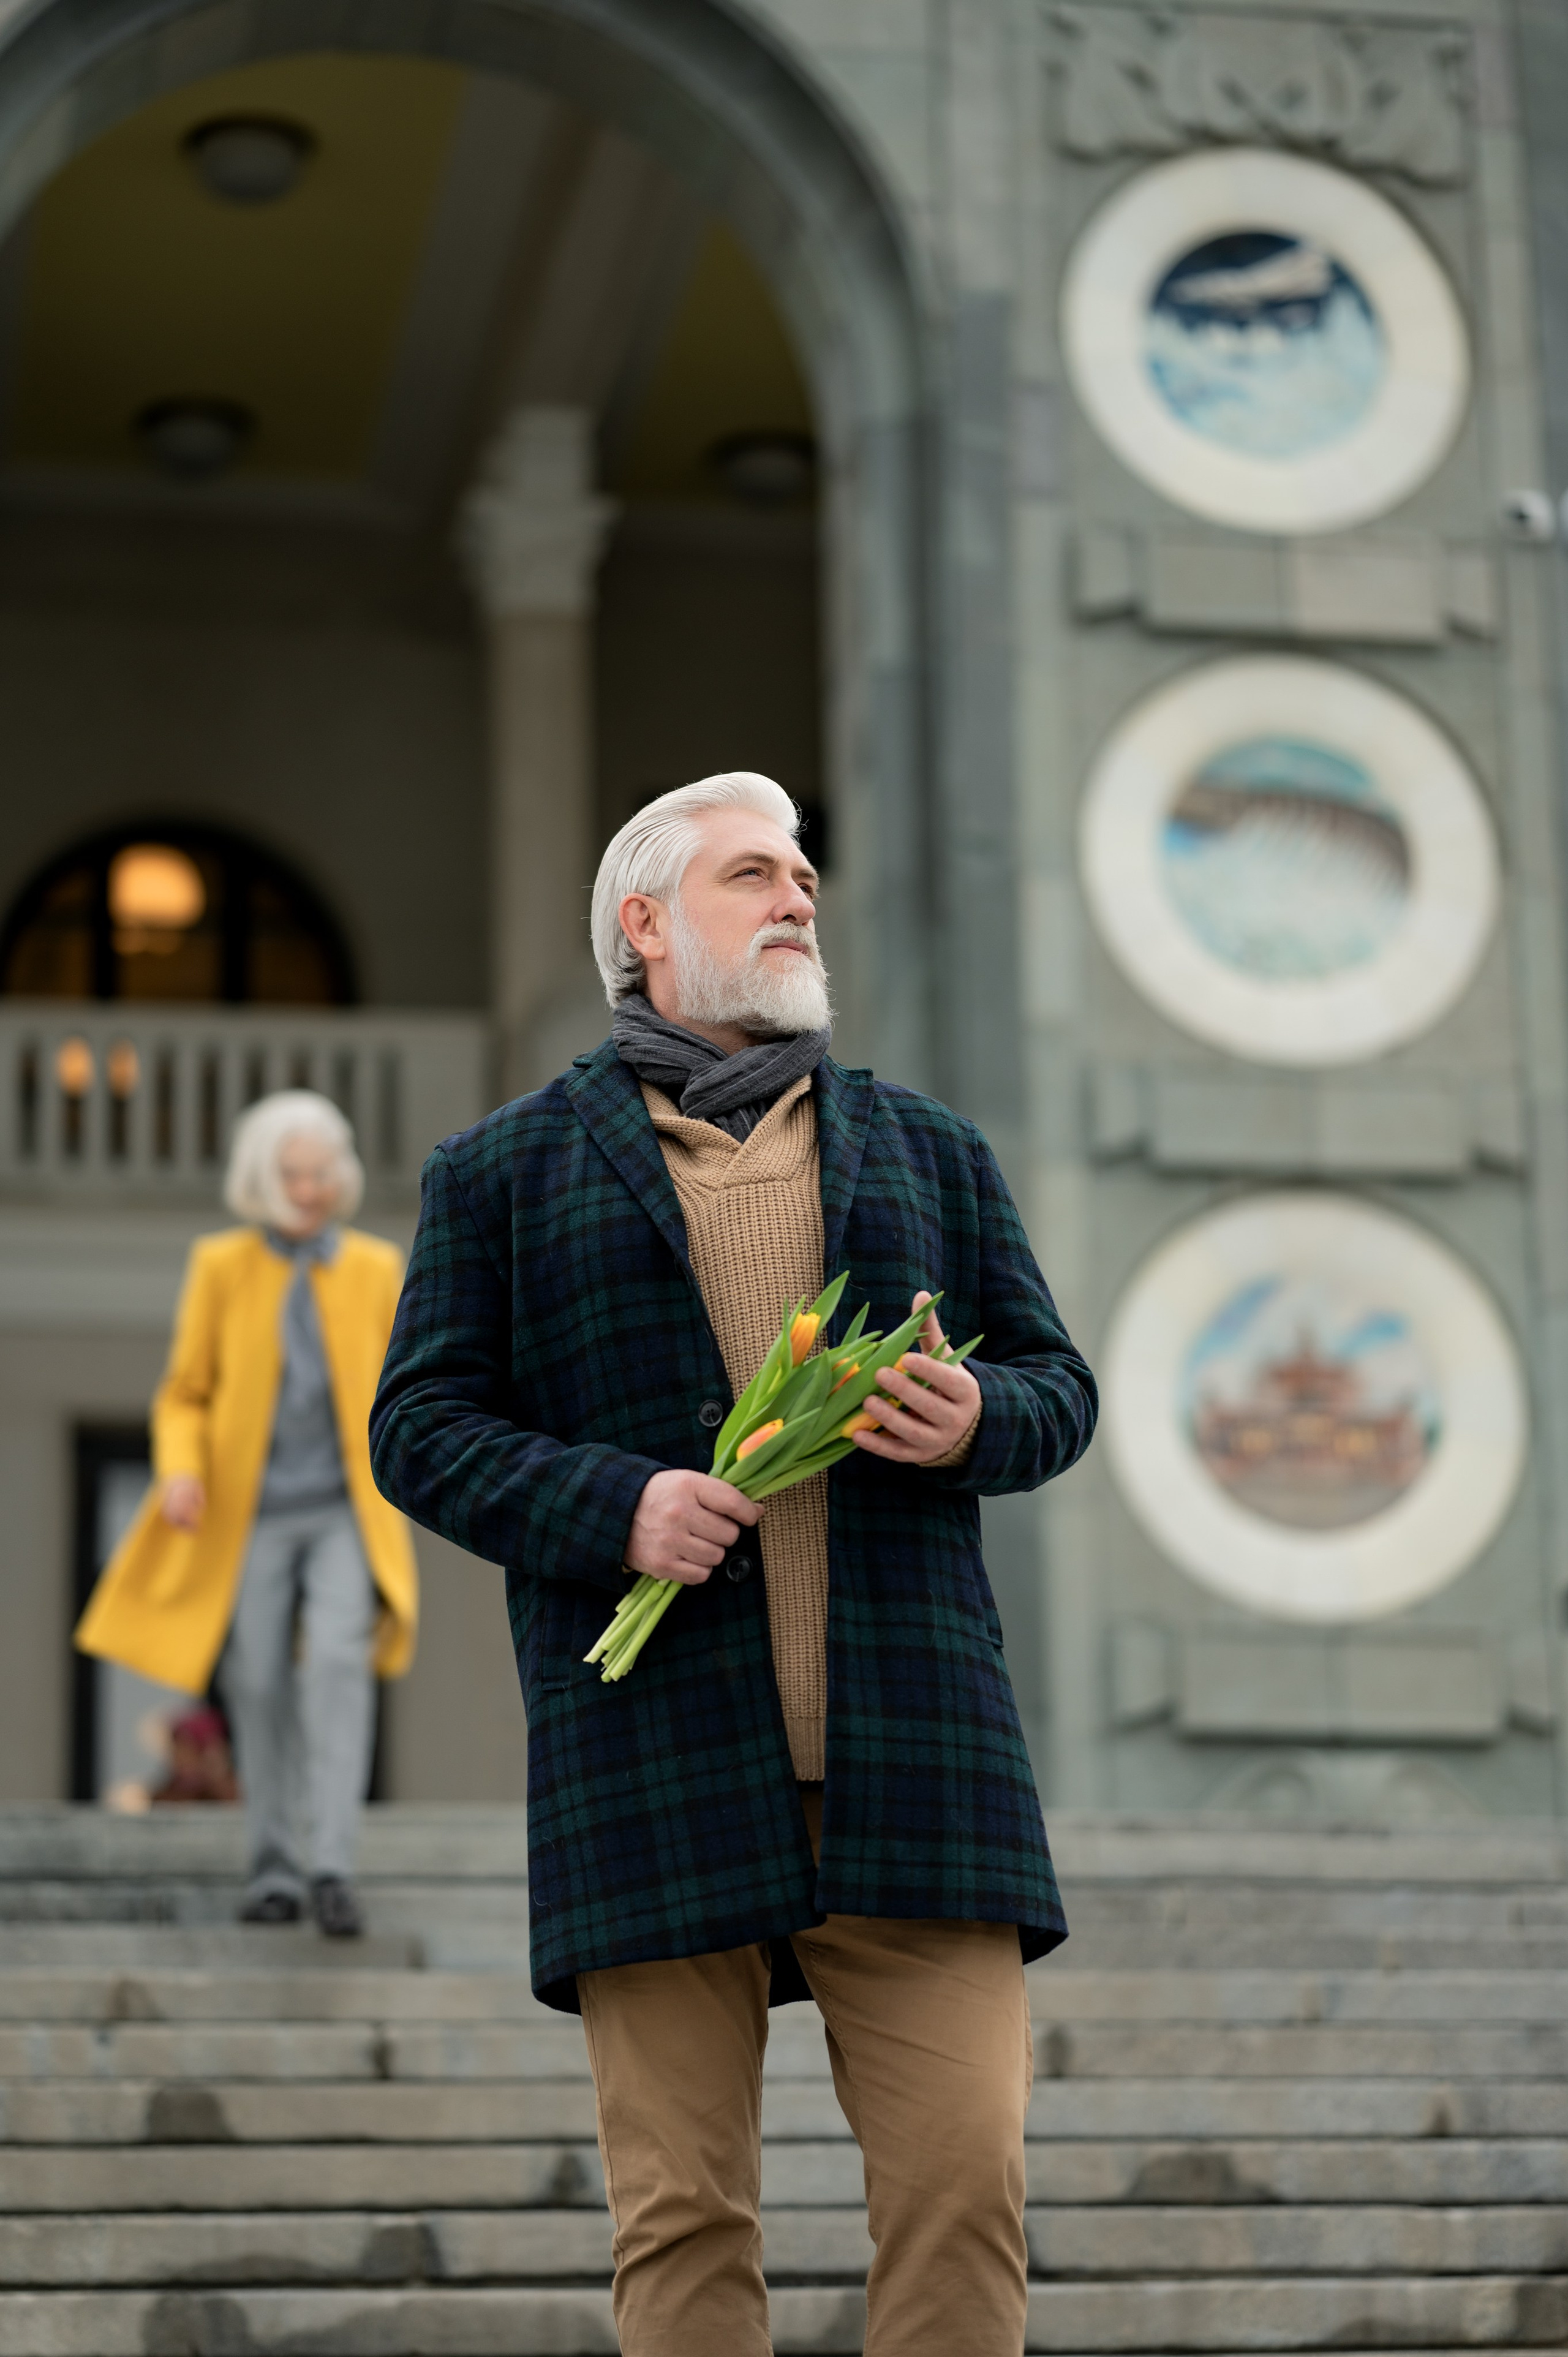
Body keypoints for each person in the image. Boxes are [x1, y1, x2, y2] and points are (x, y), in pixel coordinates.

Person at [371, 771, 1096, 2355]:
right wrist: (613, 1508)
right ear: (645, 925)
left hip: (919, 1766)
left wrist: (977, 1414)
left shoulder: (931, 1149)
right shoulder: (500, 1171)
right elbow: (419, 1428)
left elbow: (1060, 1390)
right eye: (754, 874)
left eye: (803, 875)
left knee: (967, 2189)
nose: (798, 898)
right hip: (652, 1768)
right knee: (683, 2216)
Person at [77, 1091, 418, 1938]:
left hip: (347, 1507)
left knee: (338, 1663)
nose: (307, 1190)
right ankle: (274, 1868)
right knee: (257, 1678)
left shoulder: (375, 1266)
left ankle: (332, 1865)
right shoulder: (221, 1265)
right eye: (291, 1175)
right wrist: (182, 1471)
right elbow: (185, 1392)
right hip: (251, 1512)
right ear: (262, 1179)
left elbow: (407, 1380)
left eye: (320, 1173)